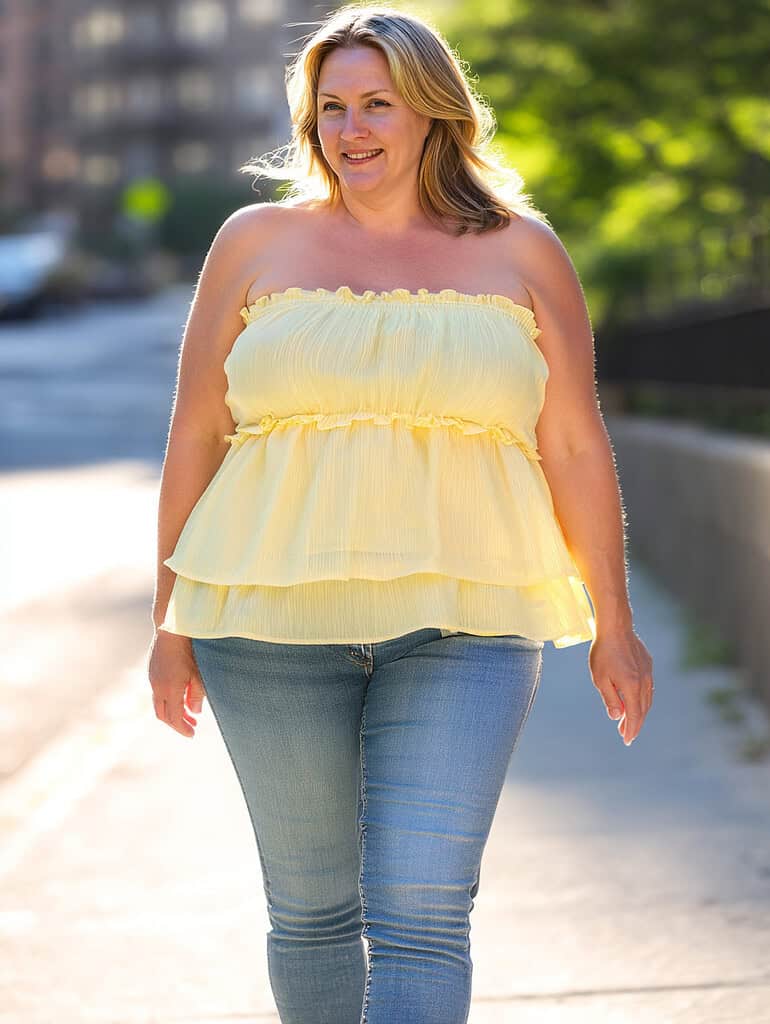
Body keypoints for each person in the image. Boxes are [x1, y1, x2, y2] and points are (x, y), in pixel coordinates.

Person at [147, 4, 654, 1022]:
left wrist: (614, 621)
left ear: (434, 112)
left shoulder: (523, 251)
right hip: (266, 620)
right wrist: (168, 625)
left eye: (376, 103)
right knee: (312, 912)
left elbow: (570, 442)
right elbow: (198, 432)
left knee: (423, 911)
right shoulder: (253, 241)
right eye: (330, 108)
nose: (351, 129)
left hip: (469, 619)